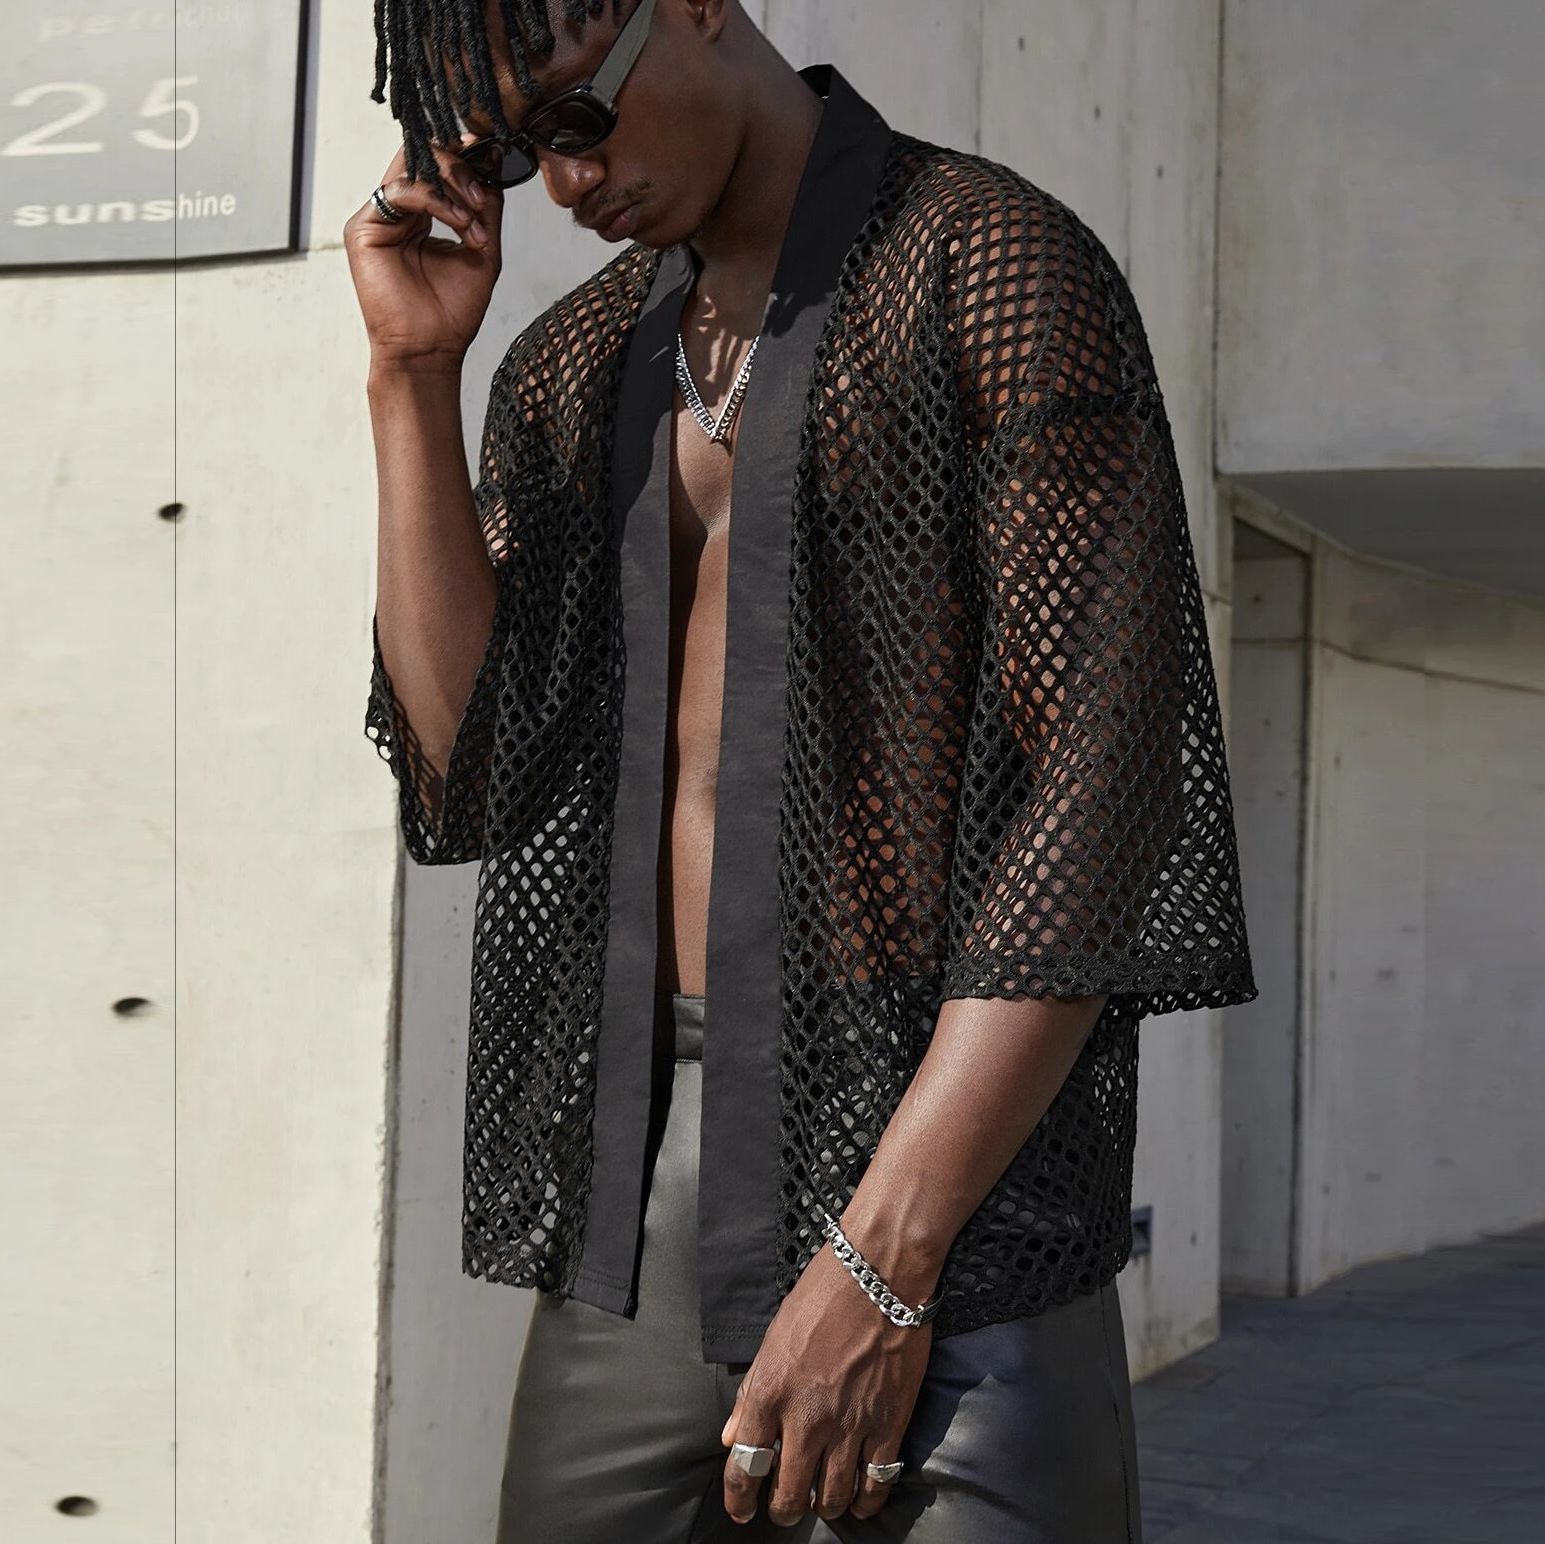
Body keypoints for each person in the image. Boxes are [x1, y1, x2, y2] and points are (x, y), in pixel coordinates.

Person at [345, 2, 1256, 1540]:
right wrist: (410, 375)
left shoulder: (985, 266)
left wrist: (882, 1263)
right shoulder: (574, 363)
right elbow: (466, 776)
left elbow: (1099, 792)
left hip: (944, 1177)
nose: (563, 186)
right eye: (511, 153)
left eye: (575, 117)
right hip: (638, 1178)